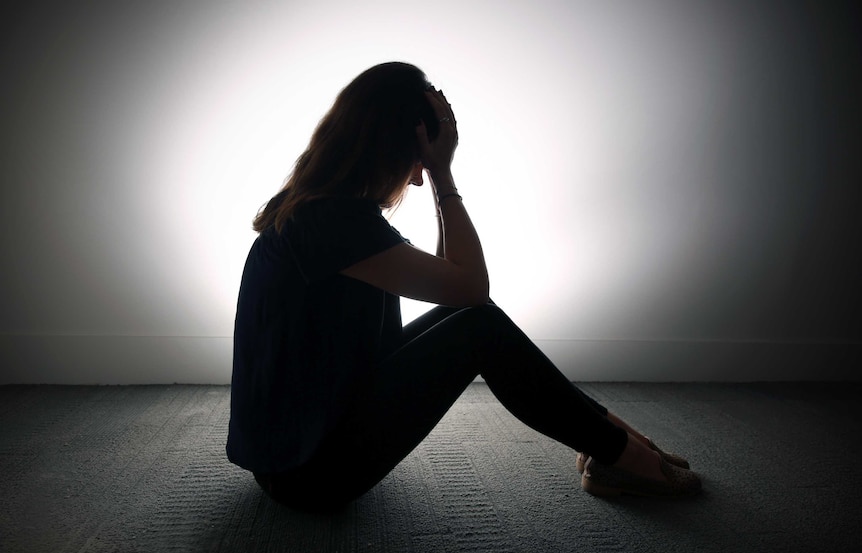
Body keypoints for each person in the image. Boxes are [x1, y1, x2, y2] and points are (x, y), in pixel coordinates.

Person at [226, 62, 701, 512]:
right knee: (480, 328)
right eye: (417, 160)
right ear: (395, 148)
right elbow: (472, 286)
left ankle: (610, 441)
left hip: (299, 452)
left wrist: (434, 169)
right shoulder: (332, 223)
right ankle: (620, 454)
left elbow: (452, 285)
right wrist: (444, 173)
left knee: (470, 320)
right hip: (308, 477)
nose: (415, 178)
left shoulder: (324, 211)